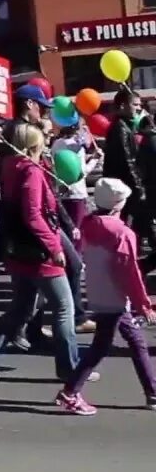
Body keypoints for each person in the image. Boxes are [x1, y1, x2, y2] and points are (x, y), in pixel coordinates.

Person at [0, 123, 86, 384]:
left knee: (21, 309)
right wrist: (54, 247)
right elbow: (34, 215)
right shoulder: (30, 171)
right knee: (64, 309)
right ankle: (70, 368)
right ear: (35, 145)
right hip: (38, 250)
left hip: (18, 247)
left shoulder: (10, 166)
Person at [55, 178, 156, 415]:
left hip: (98, 290)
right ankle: (70, 392)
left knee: (120, 343)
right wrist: (144, 305)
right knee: (114, 345)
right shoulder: (122, 233)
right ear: (119, 204)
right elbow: (129, 271)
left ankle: (151, 391)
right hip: (116, 296)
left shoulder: (89, 223)